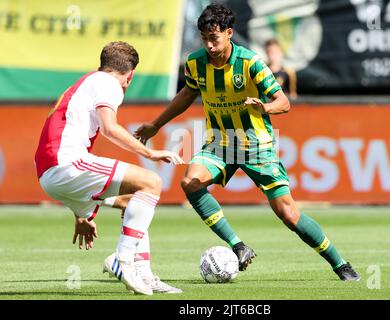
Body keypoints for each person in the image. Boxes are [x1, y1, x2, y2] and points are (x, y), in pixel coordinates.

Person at [135, 4, 360, 281]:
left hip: (256, 144)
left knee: (288, 215)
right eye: (204, 38)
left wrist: (264, 108)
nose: (209, 44)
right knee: (190, 182)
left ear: (229, 33)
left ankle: (340, 264)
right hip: (220, 143)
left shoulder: (251, 63)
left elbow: (284, 102)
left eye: (214, 38)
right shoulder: (195, 63)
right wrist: (156, 124)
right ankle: (238, 246)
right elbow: (186, 95)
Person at [34, 41, 184, 295]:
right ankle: (122, 260)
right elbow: (109, 128)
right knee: (152, 182)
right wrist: (150, 152)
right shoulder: (108, 83)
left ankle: (143, 273)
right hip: (66, 164)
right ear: (130, 75)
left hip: (51, 172)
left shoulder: (87, 82)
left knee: (133, 199)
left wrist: (80, 214)